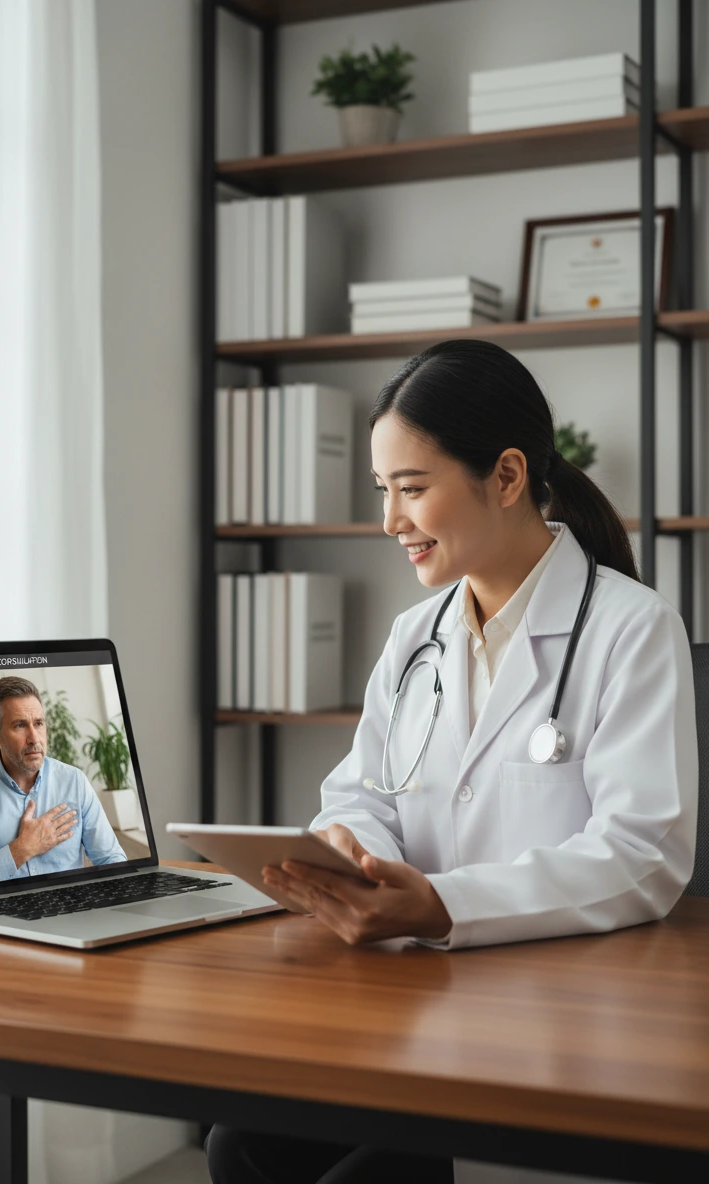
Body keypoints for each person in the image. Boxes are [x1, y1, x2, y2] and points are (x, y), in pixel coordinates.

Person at [206, 339, 698, 1184]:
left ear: (506, 477)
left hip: (557, 1019)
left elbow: (643, 854)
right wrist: (352, 856)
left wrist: (441, 906)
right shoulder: (415, 637)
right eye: (382, 492)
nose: (390, 520)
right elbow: (362, 793)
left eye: (412, 489)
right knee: (239, 1144)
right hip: (415, 1002)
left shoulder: (632, 629)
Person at [0, 676, 127, 890]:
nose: (34, 738)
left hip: (72, 911)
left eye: (38, 723)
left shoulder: (74, 781)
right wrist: (21, 850)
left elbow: (112, 860)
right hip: (4, 916)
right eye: (20, 725)